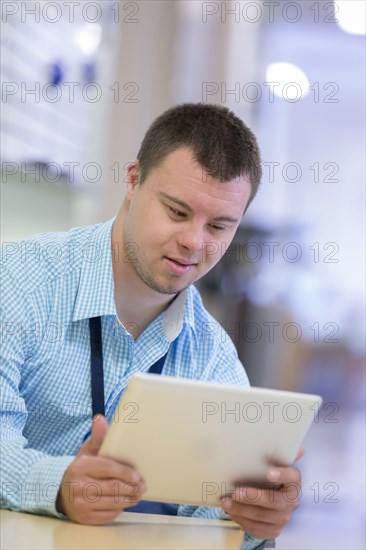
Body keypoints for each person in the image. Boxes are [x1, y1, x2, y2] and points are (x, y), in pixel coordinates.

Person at [1, 103, 301, 549]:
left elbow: (216, 514)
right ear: (134, 180)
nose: (194, 242)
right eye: (177, 212)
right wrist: (58, 484)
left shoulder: (212, 357)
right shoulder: (19, 279)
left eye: (219, 225)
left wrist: (254, 520)